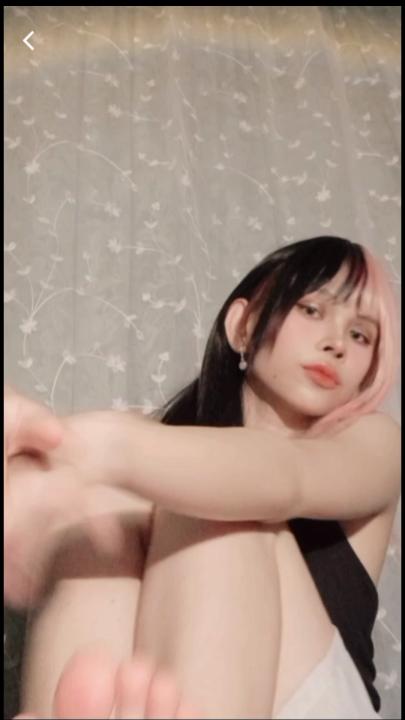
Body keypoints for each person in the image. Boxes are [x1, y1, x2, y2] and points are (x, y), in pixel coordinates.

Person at [5, 236, 400, 719]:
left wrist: (86, 446)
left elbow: (285, 475)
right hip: (166, 698)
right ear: (243, 325)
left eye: (360, 335)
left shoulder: (376, 444)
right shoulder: (146, 469)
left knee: (221, 511)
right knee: (106, 507)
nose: (336, 343)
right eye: (312, 309)